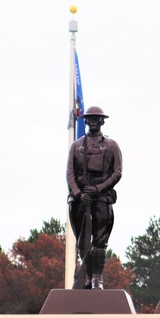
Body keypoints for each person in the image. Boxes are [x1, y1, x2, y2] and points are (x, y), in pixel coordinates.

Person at [66, 106, 123, 289]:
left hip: (102, 198)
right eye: (90, 118)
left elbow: (117, 173)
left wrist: (98, 189)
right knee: (83, 241)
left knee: (100, 240)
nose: (93, 121)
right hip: (81, 199)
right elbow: (70, 174)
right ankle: (88, 277)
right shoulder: (76, 146)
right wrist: (78, 194)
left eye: (97, 118)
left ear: (102, 121)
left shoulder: (111, 145)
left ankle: (98, 277)